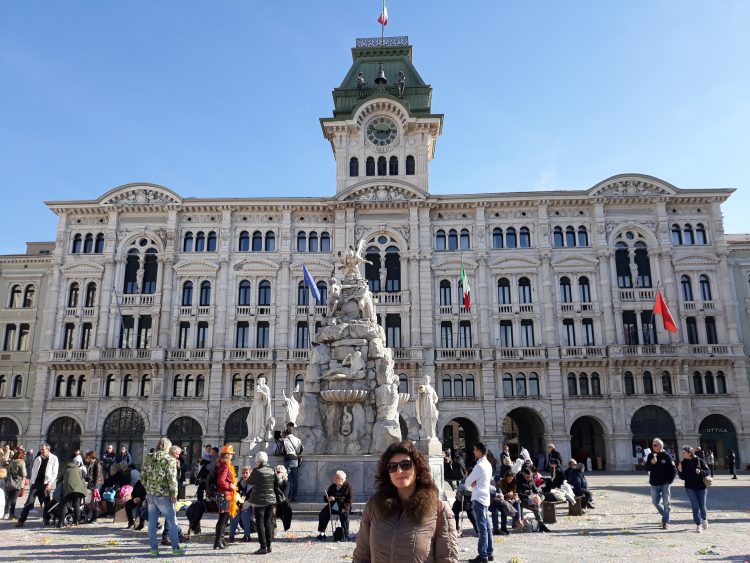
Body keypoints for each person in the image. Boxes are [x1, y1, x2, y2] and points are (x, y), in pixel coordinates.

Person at [353, 440, 458, 562]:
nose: (399, 471)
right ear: (388, 473)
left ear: (417, 468)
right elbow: (361, 555)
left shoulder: (439, 510)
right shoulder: (374, 506)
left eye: (406, 464)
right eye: (392, 466)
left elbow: (448, 559)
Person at [140, 437, 185, 556]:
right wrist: (174, 494)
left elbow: (142, 476)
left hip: (151, 495)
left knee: (152, 523)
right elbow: (172, 479)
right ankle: (175, 548)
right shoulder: (169, 459)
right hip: (164, 495)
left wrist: (148, 488)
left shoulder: (149, 457)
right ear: (167, 447)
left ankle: (154, 549)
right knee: (172, 522)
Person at [463, 442, 493, 563]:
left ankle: (483, 555)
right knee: (487, 526)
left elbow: (467, 482)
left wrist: (471, 487)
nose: (474, 452)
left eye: (475, 450)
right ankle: (489, 552)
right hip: (485, 497)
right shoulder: (488, 464)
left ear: (480, 451)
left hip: (478, 497)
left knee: (482, 528)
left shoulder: (479, 466)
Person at [16, 443, 58, 527]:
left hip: (45, 484)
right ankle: (21, 520)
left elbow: (55, 472)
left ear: (48, 449)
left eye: (43, 449)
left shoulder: (54, 458)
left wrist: (50, 483)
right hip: (35, 483)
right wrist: (32, 482)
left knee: (46, 503)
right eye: (41, 449)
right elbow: (34, 470)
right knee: (29, 502)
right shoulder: (38, 458)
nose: (41, 451)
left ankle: (46, 519)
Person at [247, 451, 277, 554]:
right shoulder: (272, 470)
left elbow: (249, 481)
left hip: (259, 500)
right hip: (270, 500)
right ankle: (269, 546)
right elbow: (278, 482)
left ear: (257, 460)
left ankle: (263, 546)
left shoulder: (256, 471)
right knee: (268, 522)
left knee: (259, 523)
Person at [677, 445, 710, 533]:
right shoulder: (683, 463)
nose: (683, 454)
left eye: (684, 453)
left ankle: (704, 519)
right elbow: (682, 477)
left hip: (701, 487)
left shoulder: (699, 460)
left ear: (690, 453)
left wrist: (701, 472)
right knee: (695, 506)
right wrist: (680, 471)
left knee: (702, 506)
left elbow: (708, 471)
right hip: (690, 487)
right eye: (683, 453)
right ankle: (698, 525)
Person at [645, 437, 676, 529]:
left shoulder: (667, 456)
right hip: (654, 483)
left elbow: (673, 470)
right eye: (652, 445)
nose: (653, 447)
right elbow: (647, 468)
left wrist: (669, 481)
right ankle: (666, 515)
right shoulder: (651, 456)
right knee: (655, 502)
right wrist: (651, 463)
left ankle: (665, 521)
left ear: (660, 446)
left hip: (665, 483)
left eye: (655, 445)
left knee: (667, 503)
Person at [213, 445, 238, 550]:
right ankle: (218, 541)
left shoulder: (223, 465)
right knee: (223, 519)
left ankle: (221, 539)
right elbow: (221, 481)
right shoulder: (225, 466)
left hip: (225, 495)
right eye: (231, 454)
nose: (232, 456)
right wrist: (230, 486)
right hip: (225, 495)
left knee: (225, 518)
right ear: (227, 455)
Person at [317, 469, 353, 541]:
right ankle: (322, 533)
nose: (335, 478)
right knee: (323, 513)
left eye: (337, 477)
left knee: (344, 516)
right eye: (335, 477)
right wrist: (328, 499)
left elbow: (350, 499)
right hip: (334, 506)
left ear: (342, 479)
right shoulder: (333, 486)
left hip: (343, 506)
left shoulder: (348, 486)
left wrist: (345, 508)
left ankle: (346, 534)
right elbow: (327, 496)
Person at [516, 467, 550, 532]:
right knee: (536, 509)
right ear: (523, 474)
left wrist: (537, 497)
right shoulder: (519, 481)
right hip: (524, 499)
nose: (529, 478)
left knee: (542, 496)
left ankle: (537, 503)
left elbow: (535, 490)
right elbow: (519, 494)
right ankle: (541, 526)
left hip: (532, 498)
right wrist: (530, 497)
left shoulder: (531, 479)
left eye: (530, 477)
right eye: (527, 477)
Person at [58, 453, 88, 527]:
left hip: (69, 490)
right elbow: (82, 479)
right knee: (77, 504)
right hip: (79, 490)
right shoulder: (78, 470)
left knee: (64, 504)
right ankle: (76, 521)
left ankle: (60, 522)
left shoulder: (66, 469)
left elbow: (59, 480)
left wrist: (58, 488)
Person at [228, 465, 254, 543]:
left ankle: (247, 536)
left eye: (246, 473)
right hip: (242, 503)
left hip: (251, 505)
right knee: (234, 514)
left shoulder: (253, 484)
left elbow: (251, 497)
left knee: (244, 514)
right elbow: (240, 496)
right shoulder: (240, 483)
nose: (245, 475)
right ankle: (231, 535)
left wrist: (243, 505)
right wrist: (238, 506)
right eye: (243, 473)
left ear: (250, 474)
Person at [282, 426, 303, 502]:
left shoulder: (285, 440)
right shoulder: (298, 439)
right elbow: (301, 450)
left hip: (288, 460)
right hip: (295, 460)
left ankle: (288, 496)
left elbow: (282, 450)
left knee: (288, 480)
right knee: (295, 480)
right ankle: (294, 496)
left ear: (286, 433)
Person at [4, 449, 26, 519]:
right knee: (14, 499)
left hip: (10, 482)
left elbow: (8, 472)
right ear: (22, 455)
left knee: (9, 498)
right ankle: (12, 513)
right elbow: (24, 474)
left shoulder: (11, 462)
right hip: (18, 483)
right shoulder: (21, 462)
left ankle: (6, 513)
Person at [274, 465, 293, 531]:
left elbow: (284, 495)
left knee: (288, 511)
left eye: (278, 472)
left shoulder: (286, 483)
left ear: (283, 473)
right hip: (274, 503)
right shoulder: (273, 483)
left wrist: (277, 487)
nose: (277, 474)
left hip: (283, 503)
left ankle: (287, 528)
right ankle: (274, 528)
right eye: (276, 472)